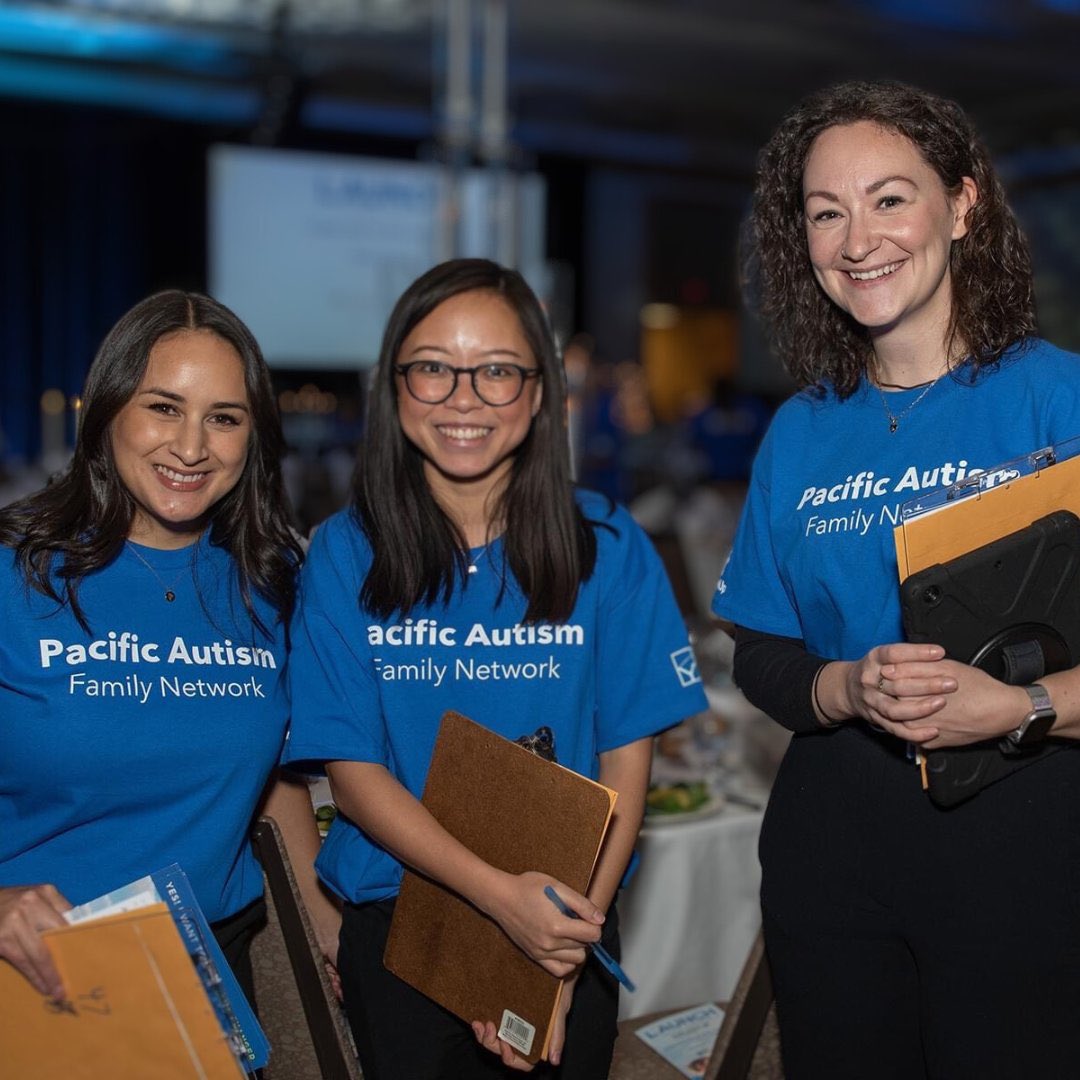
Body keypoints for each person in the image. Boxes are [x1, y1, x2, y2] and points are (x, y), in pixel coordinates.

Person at [714, 80, 1080, 1079]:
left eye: (888, 198)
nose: (855, 236)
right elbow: (761, 649)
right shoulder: (800, 430)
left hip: (1025, 846)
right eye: (825, 212)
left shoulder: (1060, 399)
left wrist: (1017, 704)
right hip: (831, 847)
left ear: (962, 205)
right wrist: (845, 686)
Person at [283, 258, 707, 1079]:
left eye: (497, 372)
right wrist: (498, 902)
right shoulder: (344, 553)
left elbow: (626, 763)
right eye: (434, 368)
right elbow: (356, 775)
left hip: (565, 920)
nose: (463, 398)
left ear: (541, 391)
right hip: (405, 923)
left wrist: (550, 949)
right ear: (395, 386)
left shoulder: (608, 547)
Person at [0, 289, 338, 1011]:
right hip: (34, 979)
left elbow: (276, 786)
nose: (191, 447)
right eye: (163, 407)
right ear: (106, 409)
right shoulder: (13, 575)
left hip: (211, 973)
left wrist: (328, 930)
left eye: (224, 418)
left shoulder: (273, 582)